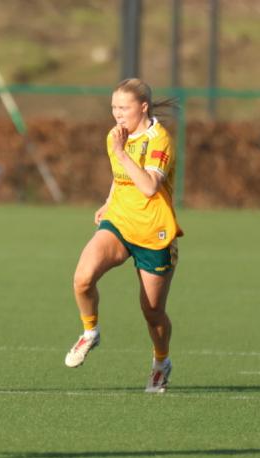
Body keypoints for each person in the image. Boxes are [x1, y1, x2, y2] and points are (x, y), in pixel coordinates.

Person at [64, 78, 182, 393]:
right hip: (119, 223)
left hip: (154, 233)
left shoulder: (160, 140)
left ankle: (161, 362)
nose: (117, 114)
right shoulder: (115, 137)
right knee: (82, 279)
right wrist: (107, 201)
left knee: (152, 311)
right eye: (114, 107)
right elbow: (121, 177)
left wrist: (120, 149)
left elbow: (148, 186)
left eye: (123, 107)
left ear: (143, 106)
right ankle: (90, 332)